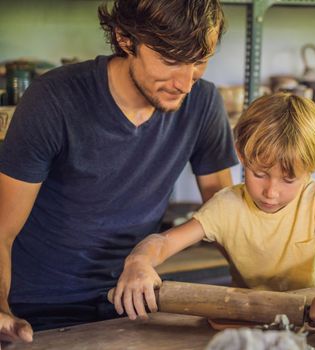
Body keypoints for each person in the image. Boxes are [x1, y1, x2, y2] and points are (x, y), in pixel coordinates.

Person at [0, 0, 238, 342]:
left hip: (133, 301)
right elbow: (2, 231)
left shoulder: (203, 103)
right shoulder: (54, 98)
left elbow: (226, 215)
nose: (185, 83)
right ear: (126, 39)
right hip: (38, 309)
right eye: (170, 61)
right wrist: (1, 309)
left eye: (198, 62)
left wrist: (259, 294)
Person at [112, 93, 315, 331]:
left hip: (309, 319)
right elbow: (163, 242)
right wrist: (139, 262)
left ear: (312, 168)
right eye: (260, 174)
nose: (271, 192)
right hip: (244, 322)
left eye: (288, 180)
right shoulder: (226, 206)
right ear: (242, 155)